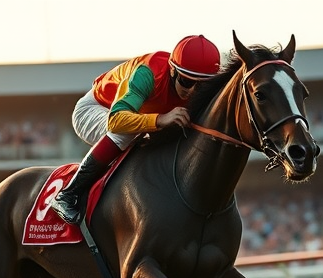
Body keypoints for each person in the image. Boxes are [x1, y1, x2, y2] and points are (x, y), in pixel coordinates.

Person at [49, 35, 222, 225]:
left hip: (136, 115)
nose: (192, 91)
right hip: (98, 110)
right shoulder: (147, 73)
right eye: (187, 82)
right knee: (128, 131)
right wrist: (160, 119)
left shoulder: (200, 88)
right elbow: (116, 121)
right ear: (172, 70)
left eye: (202, 85)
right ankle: (67, 195)